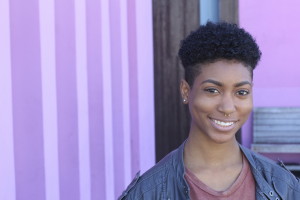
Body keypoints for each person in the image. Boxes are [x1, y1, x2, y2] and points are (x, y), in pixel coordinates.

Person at [119, 22, 300, 200]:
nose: (228, 107)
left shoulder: (283, 187)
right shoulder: (148, 193)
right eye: (212, 90)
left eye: (241, 92)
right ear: (186, 91)